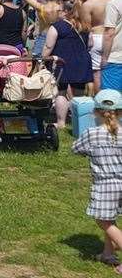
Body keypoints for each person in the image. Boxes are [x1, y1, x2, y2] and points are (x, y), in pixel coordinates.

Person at [71, 89, 122, 272]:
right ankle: (108, 253)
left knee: (103, 221)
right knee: (111, 218)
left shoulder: (92, 134)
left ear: (95, 111)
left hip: (105, 184)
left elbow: (75, 149)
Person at [42, 0, 93, 128]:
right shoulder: (84, 25)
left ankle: (61, 122)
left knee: (61, 92)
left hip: (63, 62)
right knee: (80, 92)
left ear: (65, 12)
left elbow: (48, 46)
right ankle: (81, 122)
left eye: (59, 10)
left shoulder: (57, 26)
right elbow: (90, 44)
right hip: (82, 61)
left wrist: (43, 59)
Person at [78, 0, 113, 92]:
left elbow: (86, 27)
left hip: (97, 37)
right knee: (112, 69)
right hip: (112, 36)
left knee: (97, 73)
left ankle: (100, 100)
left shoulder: (88, 5)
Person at [103, 0, 122, 92]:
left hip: (116, 57)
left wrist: (104, 57)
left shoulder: (113, 4)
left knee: (111, 99)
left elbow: (109, 33)